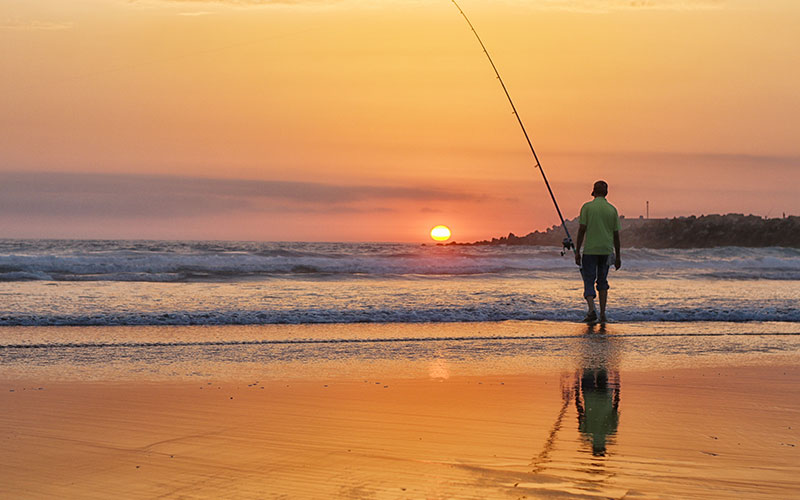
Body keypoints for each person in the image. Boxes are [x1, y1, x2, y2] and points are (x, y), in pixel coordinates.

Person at [574, 180, 621, 323]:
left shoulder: (587, 207)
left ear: (593, 192)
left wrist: (577, 251)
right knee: (602, 281)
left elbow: (582, 230)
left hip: (590, 250)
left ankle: (591, 310)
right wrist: (618, 256)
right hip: (606, 251)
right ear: (606, 193)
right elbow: (616, 235)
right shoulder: (612, 209)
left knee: (588, 280)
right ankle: (603, 315)